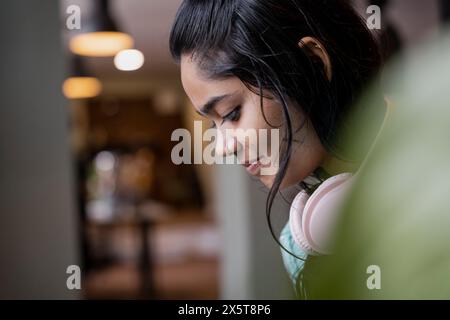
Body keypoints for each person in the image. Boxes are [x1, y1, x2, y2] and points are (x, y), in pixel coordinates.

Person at [169, 0, 385, 297]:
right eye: (214, 124)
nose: (221, 148)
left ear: (312, 62)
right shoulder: (299, 245)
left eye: (231, 113)